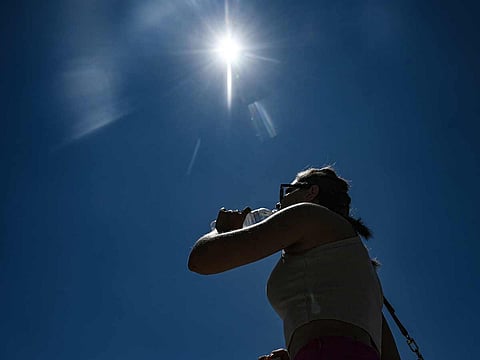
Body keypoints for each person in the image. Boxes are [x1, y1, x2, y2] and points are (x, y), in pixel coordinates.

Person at [188, 167, 401, 360]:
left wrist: (221, 229)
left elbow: (202, 260)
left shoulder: (308, 214)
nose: (279, 202)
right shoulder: (359, 266)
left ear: (311, 192)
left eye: (288, 191)